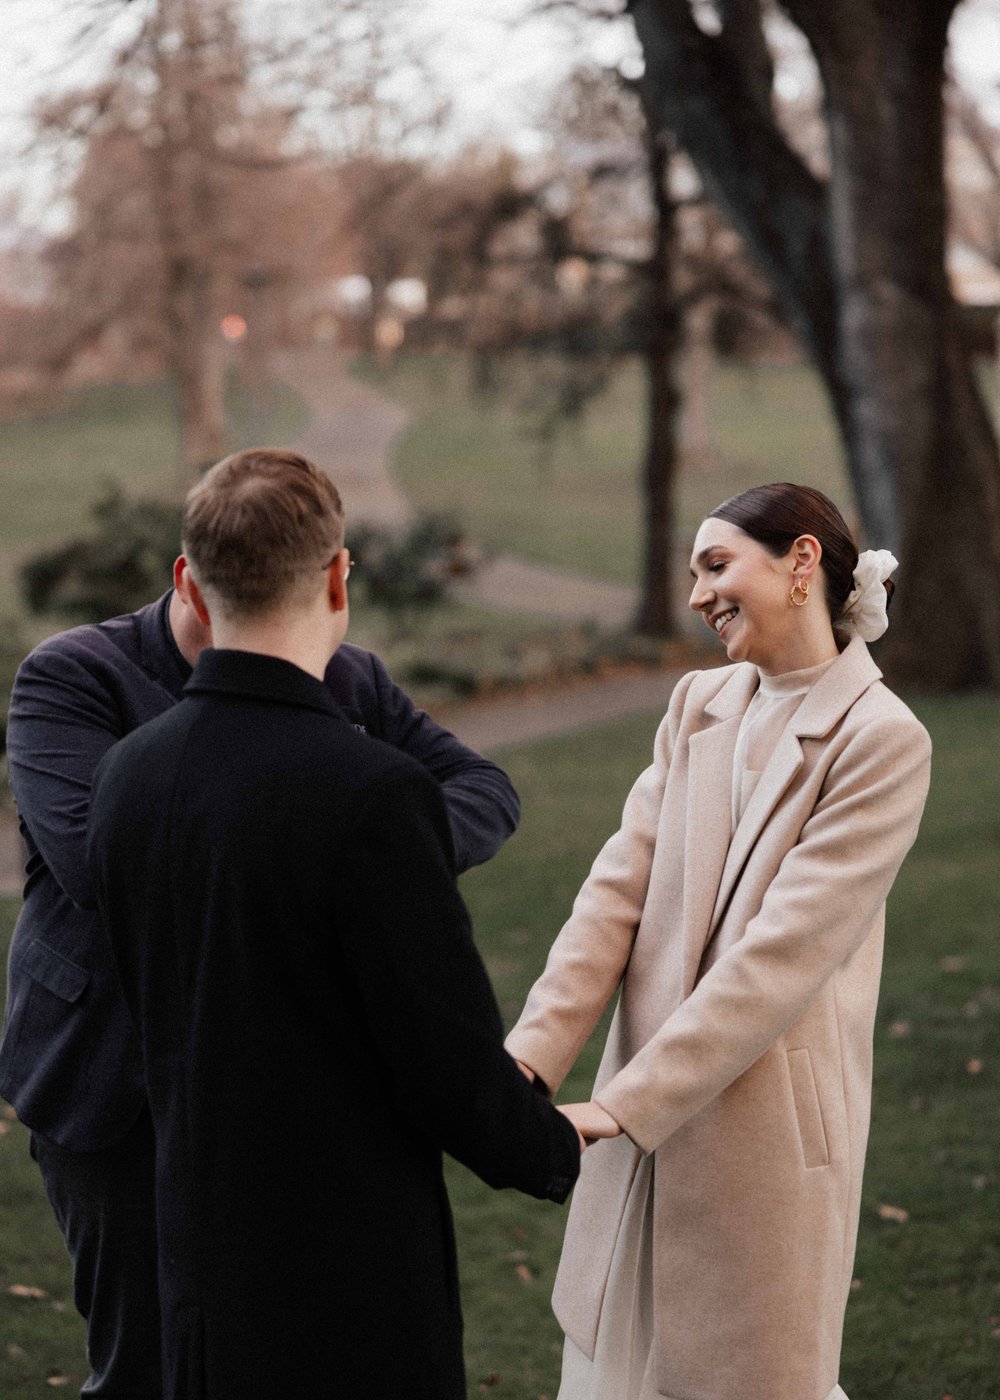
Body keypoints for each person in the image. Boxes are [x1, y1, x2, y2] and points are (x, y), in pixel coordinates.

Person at [83, 448, 604, 1398]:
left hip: (190, 1247)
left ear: (189, 584)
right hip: (343, 1272)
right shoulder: (373, 793)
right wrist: (551, 1145)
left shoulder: (128, 776)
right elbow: (443, 1052)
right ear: (336, 574)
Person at [505, 483, 933, 1400]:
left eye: (716, 564)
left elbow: (779, 961)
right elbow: (613, 895)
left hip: (759, 1140)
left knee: (744, 1374)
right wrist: (529, 1064)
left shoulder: (883, 739)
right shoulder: (697, 702)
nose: (698, 594)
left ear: (802, 563)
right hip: (638, 1131)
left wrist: (619, 1107)